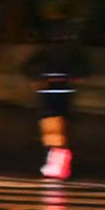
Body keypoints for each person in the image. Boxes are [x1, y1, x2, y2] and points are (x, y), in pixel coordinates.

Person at [22, 25, 90, 179]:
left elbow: (29, 67)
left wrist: (37, 79)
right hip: (65, 90)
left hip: (47, 90)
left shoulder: (44, 51)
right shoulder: (74, 52)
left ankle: (55, 163)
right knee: (61, 127)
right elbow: (83, 71)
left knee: (50, 128)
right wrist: (72, 78)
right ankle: (59, 162)